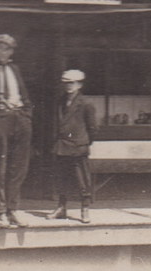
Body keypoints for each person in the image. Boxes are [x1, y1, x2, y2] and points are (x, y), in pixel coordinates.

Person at [0, 34, 33, 228]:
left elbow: (24, 95)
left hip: (20, 118)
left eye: (8, 49)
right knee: (0, 167)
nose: (4, 52)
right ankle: (0, 211)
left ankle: (13, 209)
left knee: (18, 167)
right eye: (0, 48)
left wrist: (27, 115)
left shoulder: (15, 69)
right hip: (1, 120)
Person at [47, 69, 97, 224]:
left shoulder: (86, 103)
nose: (68, 86)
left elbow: (92, 128)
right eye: (66, 83)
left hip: (78, 146)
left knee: (82, 179)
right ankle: (61, 208)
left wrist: (84, 142)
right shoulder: (61, 101)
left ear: (79, 84)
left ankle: (85, 208)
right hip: (62, 145)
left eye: (72, 83)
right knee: (61, 178)